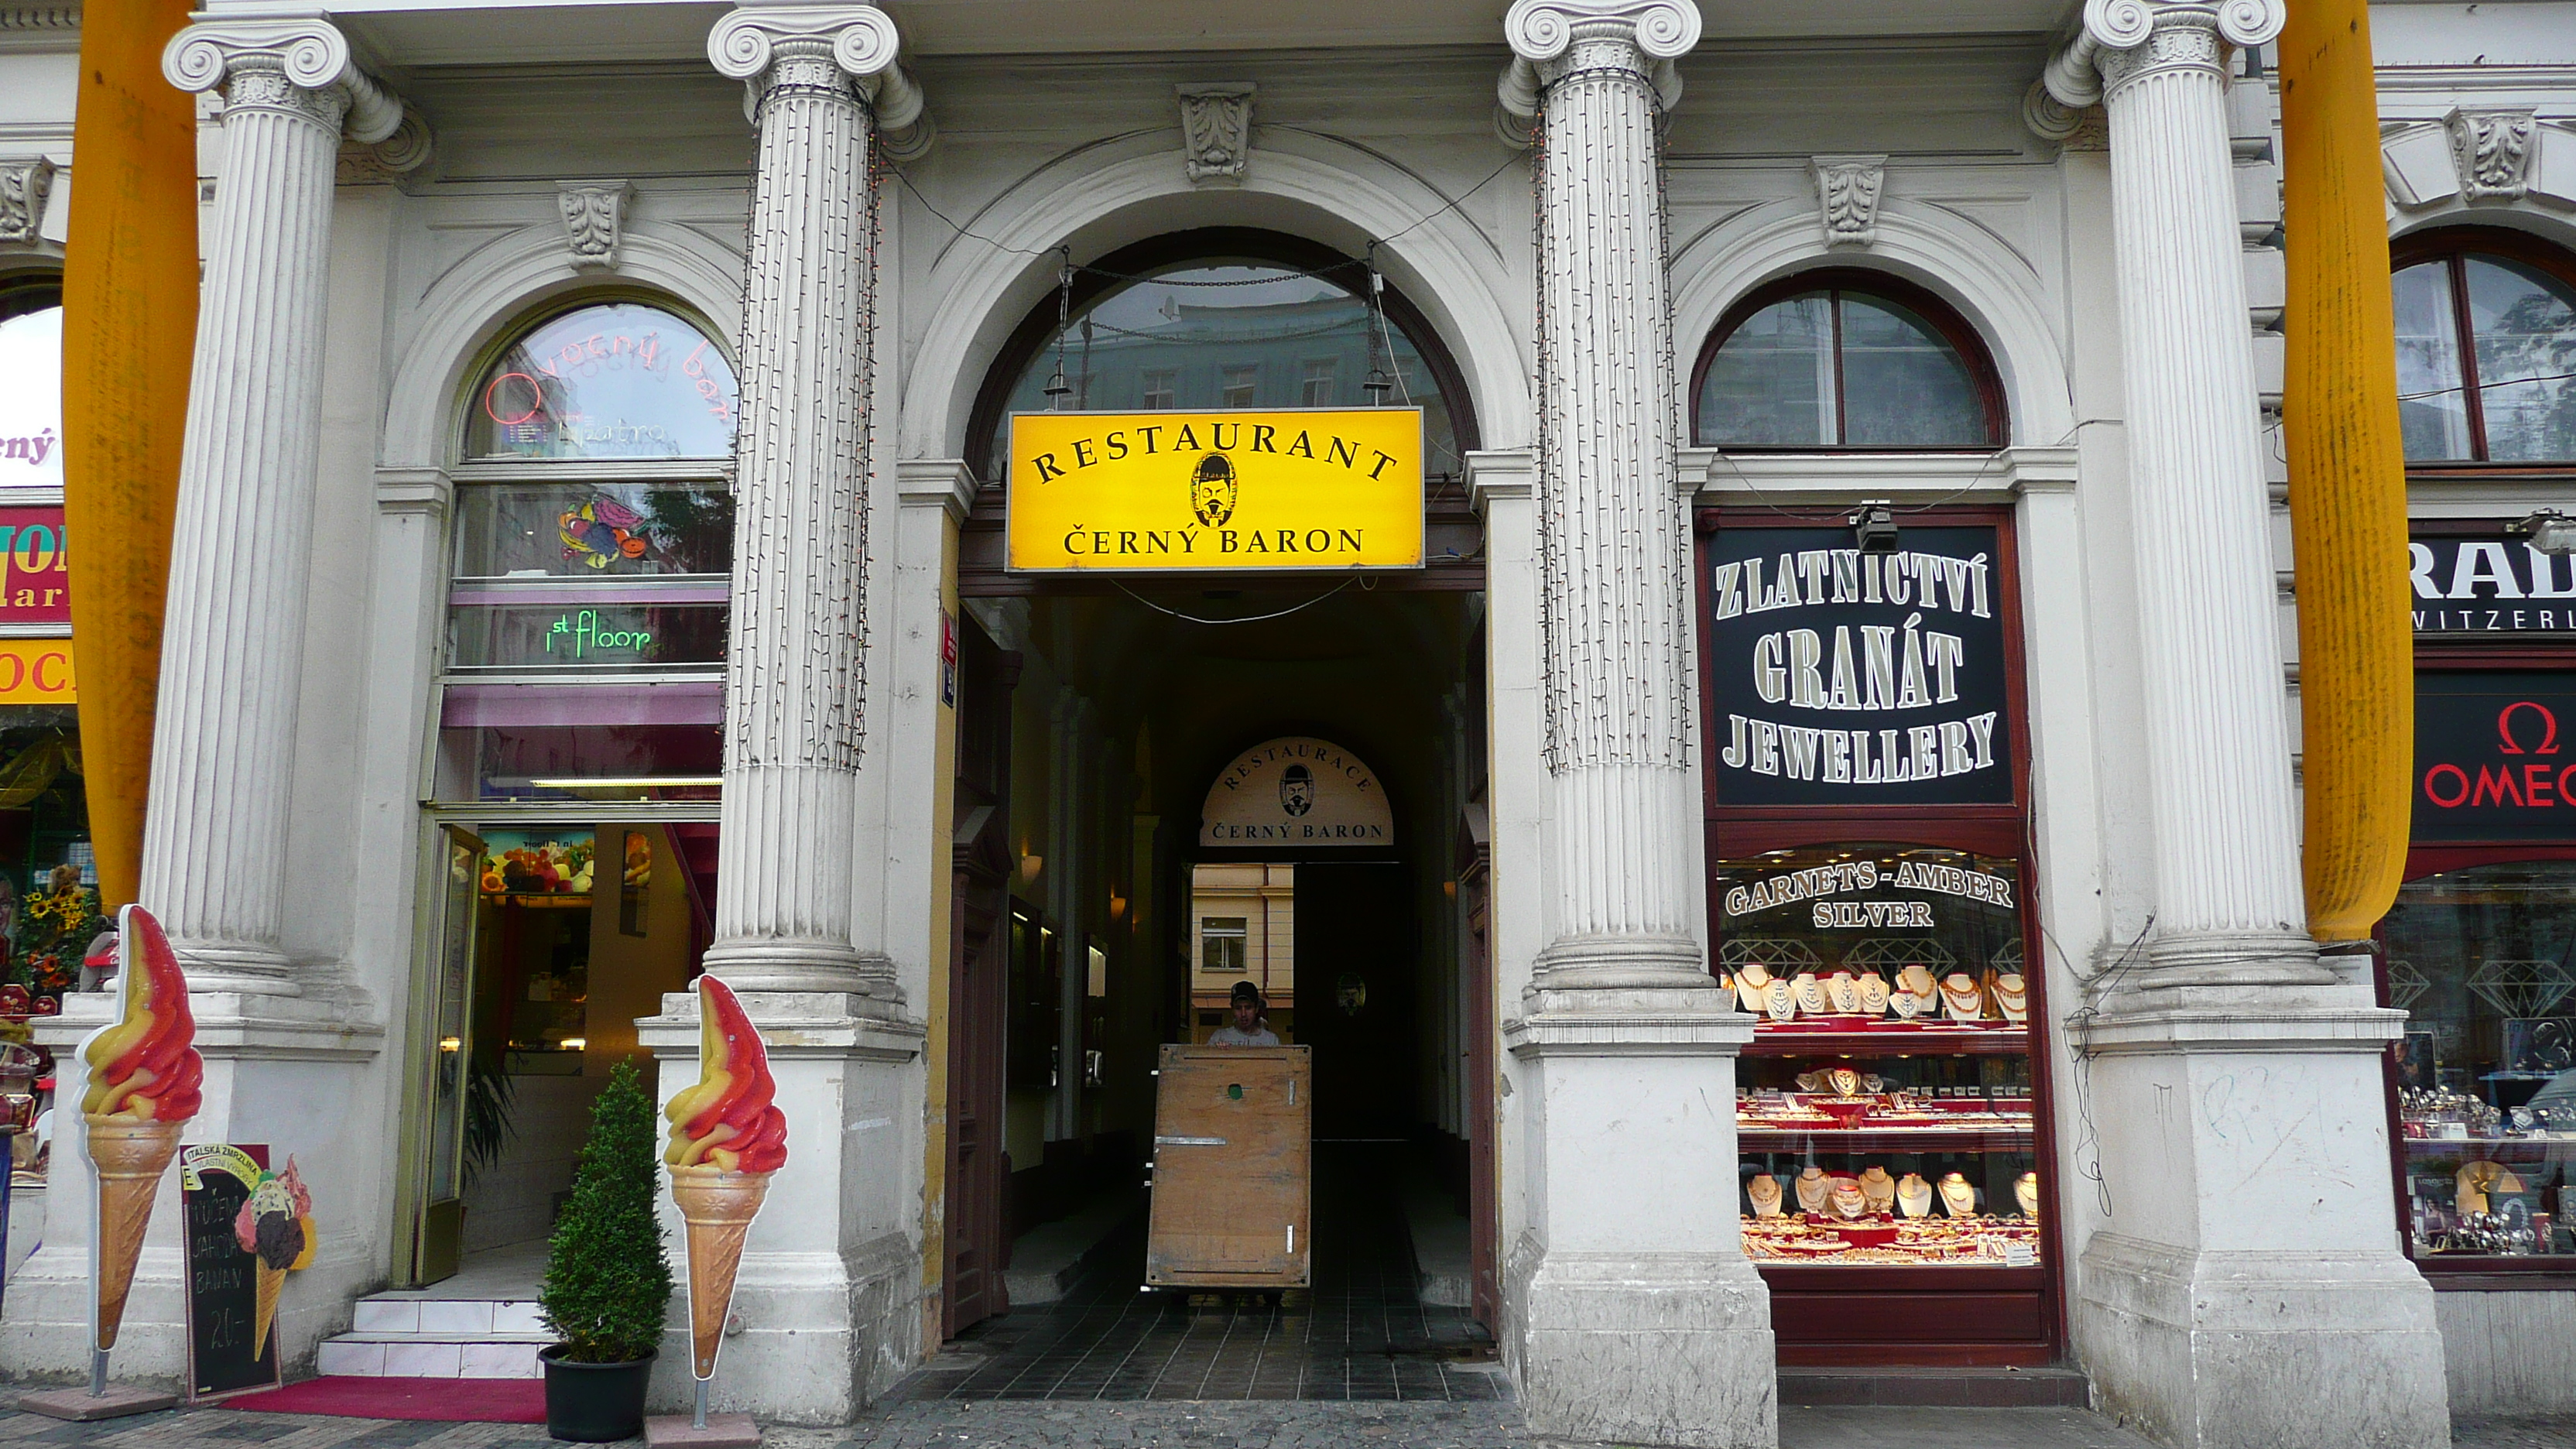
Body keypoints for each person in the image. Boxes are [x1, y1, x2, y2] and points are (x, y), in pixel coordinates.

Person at [1208, 980, 1279, 1046]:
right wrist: (1218, 1052)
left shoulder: (1271, 1041)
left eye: (1248, 1008)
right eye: (1238, 1008)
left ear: (1256, 1008)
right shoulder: (1219, 1037)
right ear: (1232, 1009)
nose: (1243, 1014)